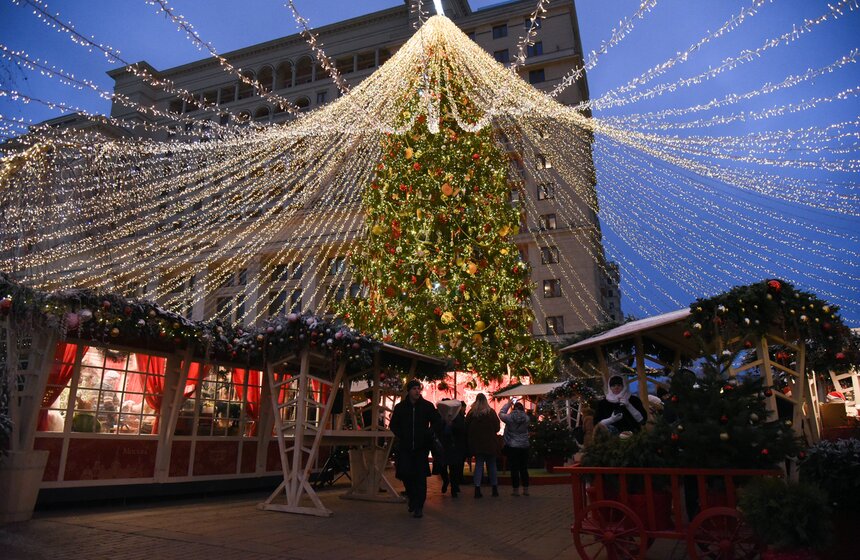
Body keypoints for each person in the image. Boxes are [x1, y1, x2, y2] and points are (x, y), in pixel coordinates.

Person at [389, 379, 441, 518]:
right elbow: (393, 425)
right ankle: (412, 498)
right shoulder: (401, 407)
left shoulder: (427, 406)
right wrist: (402, 435)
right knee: (405, 474)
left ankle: (419, 506)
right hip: (406, 448)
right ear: (409, 391)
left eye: (419, 388)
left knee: (420, 478)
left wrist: (429, 432)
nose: (417, 391)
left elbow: (437, 421)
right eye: (414, 389)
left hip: (421, 448)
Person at [465, 392, 501, 498]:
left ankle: (477, 488)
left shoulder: (471, 413)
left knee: (479, 466)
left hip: (477, 445)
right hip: (490, 444)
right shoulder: (491, 412)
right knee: (492, 466)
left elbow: (466, 427)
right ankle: (494, 488)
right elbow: (497, 428)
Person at [435, 399, 467, 498]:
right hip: (443, 445)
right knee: (443, 467)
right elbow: (436, 428)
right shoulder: (439, 416)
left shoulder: (457, 416)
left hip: (453, 445)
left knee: (454, 468)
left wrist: (452, 425)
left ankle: (454, 488)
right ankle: (446, 481)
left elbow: (462, 428)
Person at [499, 398, 530, 496]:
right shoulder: (527, 418)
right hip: (524, 445)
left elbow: (501, 413)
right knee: (524, 468)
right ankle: (526, 489)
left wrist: (508, 404)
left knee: (514, 468)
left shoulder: (509, 418)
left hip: (512, 446)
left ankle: (515, 490)